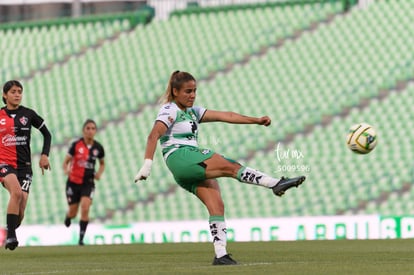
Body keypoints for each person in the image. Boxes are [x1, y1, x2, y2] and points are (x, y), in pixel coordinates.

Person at [134, 71, 306, 265]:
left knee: (216, 203)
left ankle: (221, 255)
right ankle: (275, 183)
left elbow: (227, 116)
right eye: (188, 91)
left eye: (195, 91)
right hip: (180, 157)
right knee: (230, 166)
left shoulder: (193, 112)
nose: (192, 95)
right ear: (175, 91)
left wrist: (256, 120)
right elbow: (153, 134)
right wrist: (147, 164)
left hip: (185, 168)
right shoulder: (170, 109)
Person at [0, 80, 52, 250]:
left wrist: (45, 155)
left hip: (25, 167)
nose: (17, 95)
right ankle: (11, 237)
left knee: (20, 212)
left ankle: (9, 232)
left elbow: (47, 134)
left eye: (19, 92)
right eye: (13, 91)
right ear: (5, 95)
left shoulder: (28, 114)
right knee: (16, 193)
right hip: (4, 163)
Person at [62, 119, 105, 245]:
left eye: (93, 128)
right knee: (73, 212)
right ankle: (68, 216)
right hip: (73, 182)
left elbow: (102, 164)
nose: (90, 131)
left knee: (85, 208)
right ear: (83, 130)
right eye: (88, 128)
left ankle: (81, 239)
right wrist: (66, 170)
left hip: (88, 183)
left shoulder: (98, 147)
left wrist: (99, 173)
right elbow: (66, 162)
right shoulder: (76, 145)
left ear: (96, 131)